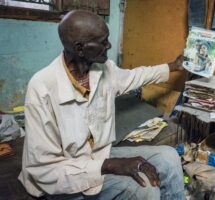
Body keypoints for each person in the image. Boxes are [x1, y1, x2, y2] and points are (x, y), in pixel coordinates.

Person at [18, 10, 185, 200]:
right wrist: (110, 165)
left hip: (99, 155)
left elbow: (135, 76)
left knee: (169, 157)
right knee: (144, 188)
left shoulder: (103, 70)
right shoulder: (42, 87)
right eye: (103, 41)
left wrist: (172, 66)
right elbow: (45, 170)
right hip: (64, 176)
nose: (109, 45)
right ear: (80, 48)